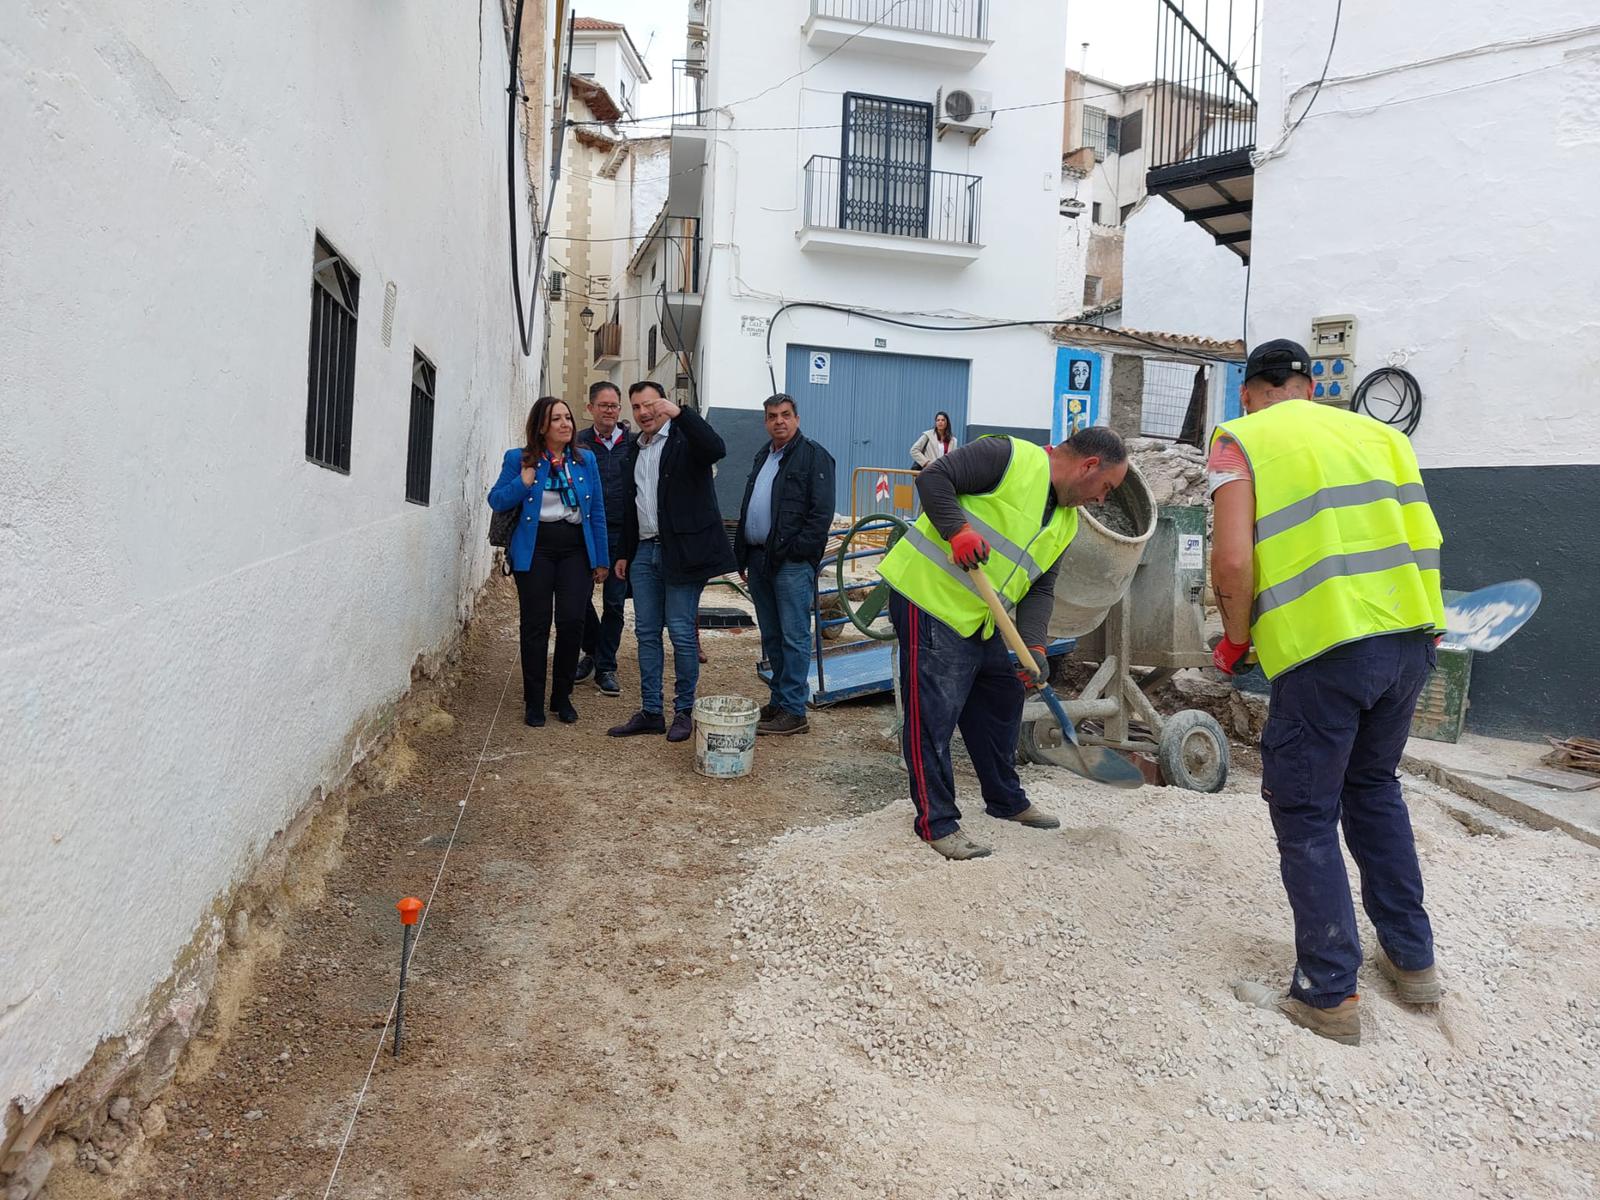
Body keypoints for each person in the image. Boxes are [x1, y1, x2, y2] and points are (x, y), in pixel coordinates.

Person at [1209, 338, 1446, 1047]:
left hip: (1324, 652)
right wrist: (1423, 630)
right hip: (1408, 639)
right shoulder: (1384, 437)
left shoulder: (1238, 440)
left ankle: (1328, 993)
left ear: (1250, 391)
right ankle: (1412, 963)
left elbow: (1230, 558)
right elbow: (1427, 538)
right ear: (1310, 387)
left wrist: (1234, 638)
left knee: (1307, 813)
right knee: (1373, 788)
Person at [878, 428, 1129, 860]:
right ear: (1089, 466)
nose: (1102, 500)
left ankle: (1004, 800)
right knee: (932, 716)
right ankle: (936, 823)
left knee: (1000, 696)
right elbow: (933, 479)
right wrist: (956, 530)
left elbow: (1040, 588)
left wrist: (1034, 647)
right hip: (928, 599)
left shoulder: (1066, 523)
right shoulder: (1008, 456)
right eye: (1105, 488)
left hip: (979, 617)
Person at [608, 383, 737, 743]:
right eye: (636, 407)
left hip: (682, 552)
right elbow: (631, 507)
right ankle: (651, 711)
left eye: (649, 404)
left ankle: (684, 711)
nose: (643, 412)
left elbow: (717, 448)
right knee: (646, 633)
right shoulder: (635, 450)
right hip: (644, 553)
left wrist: (682, 414)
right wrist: (623, 552)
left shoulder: (684, 439)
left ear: (663, 404)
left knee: (681, 633)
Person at [488, 396, 610, 728]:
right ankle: (533, 701)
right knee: (535, 626)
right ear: (541, 425)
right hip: (535, 548)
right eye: (556, 419)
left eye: (568, 417)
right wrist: (522, 481)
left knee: (572, 622)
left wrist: (601, 559)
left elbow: (596, 511)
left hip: (576, 550)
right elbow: (496, 500)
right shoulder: (520, 458)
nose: (565, 424)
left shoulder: (585, 460)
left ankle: (562, 696)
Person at [734, 394, 837, 736]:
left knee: (794, 636)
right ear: (765, 421)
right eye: (772, 416)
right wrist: (744, 554)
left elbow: (820, 515)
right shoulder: (764, 455)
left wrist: (798, 552)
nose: (779, 421)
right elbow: (752, 503)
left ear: (797, 417)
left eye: (785, 415)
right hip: (760, 557)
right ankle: (779, 701)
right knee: (773, 635)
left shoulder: (814, 457)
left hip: (790, 563)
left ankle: (795, 711)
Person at [574, 381, 635, 698]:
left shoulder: (635, 444)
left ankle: (605, 665)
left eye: (614, 405)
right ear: (591, 409)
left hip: (622, 536)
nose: (610, 411)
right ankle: (592, 651)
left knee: (614, 602)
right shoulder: (578, 444)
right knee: (580, 598)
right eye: (603, 405)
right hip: (585, 532)